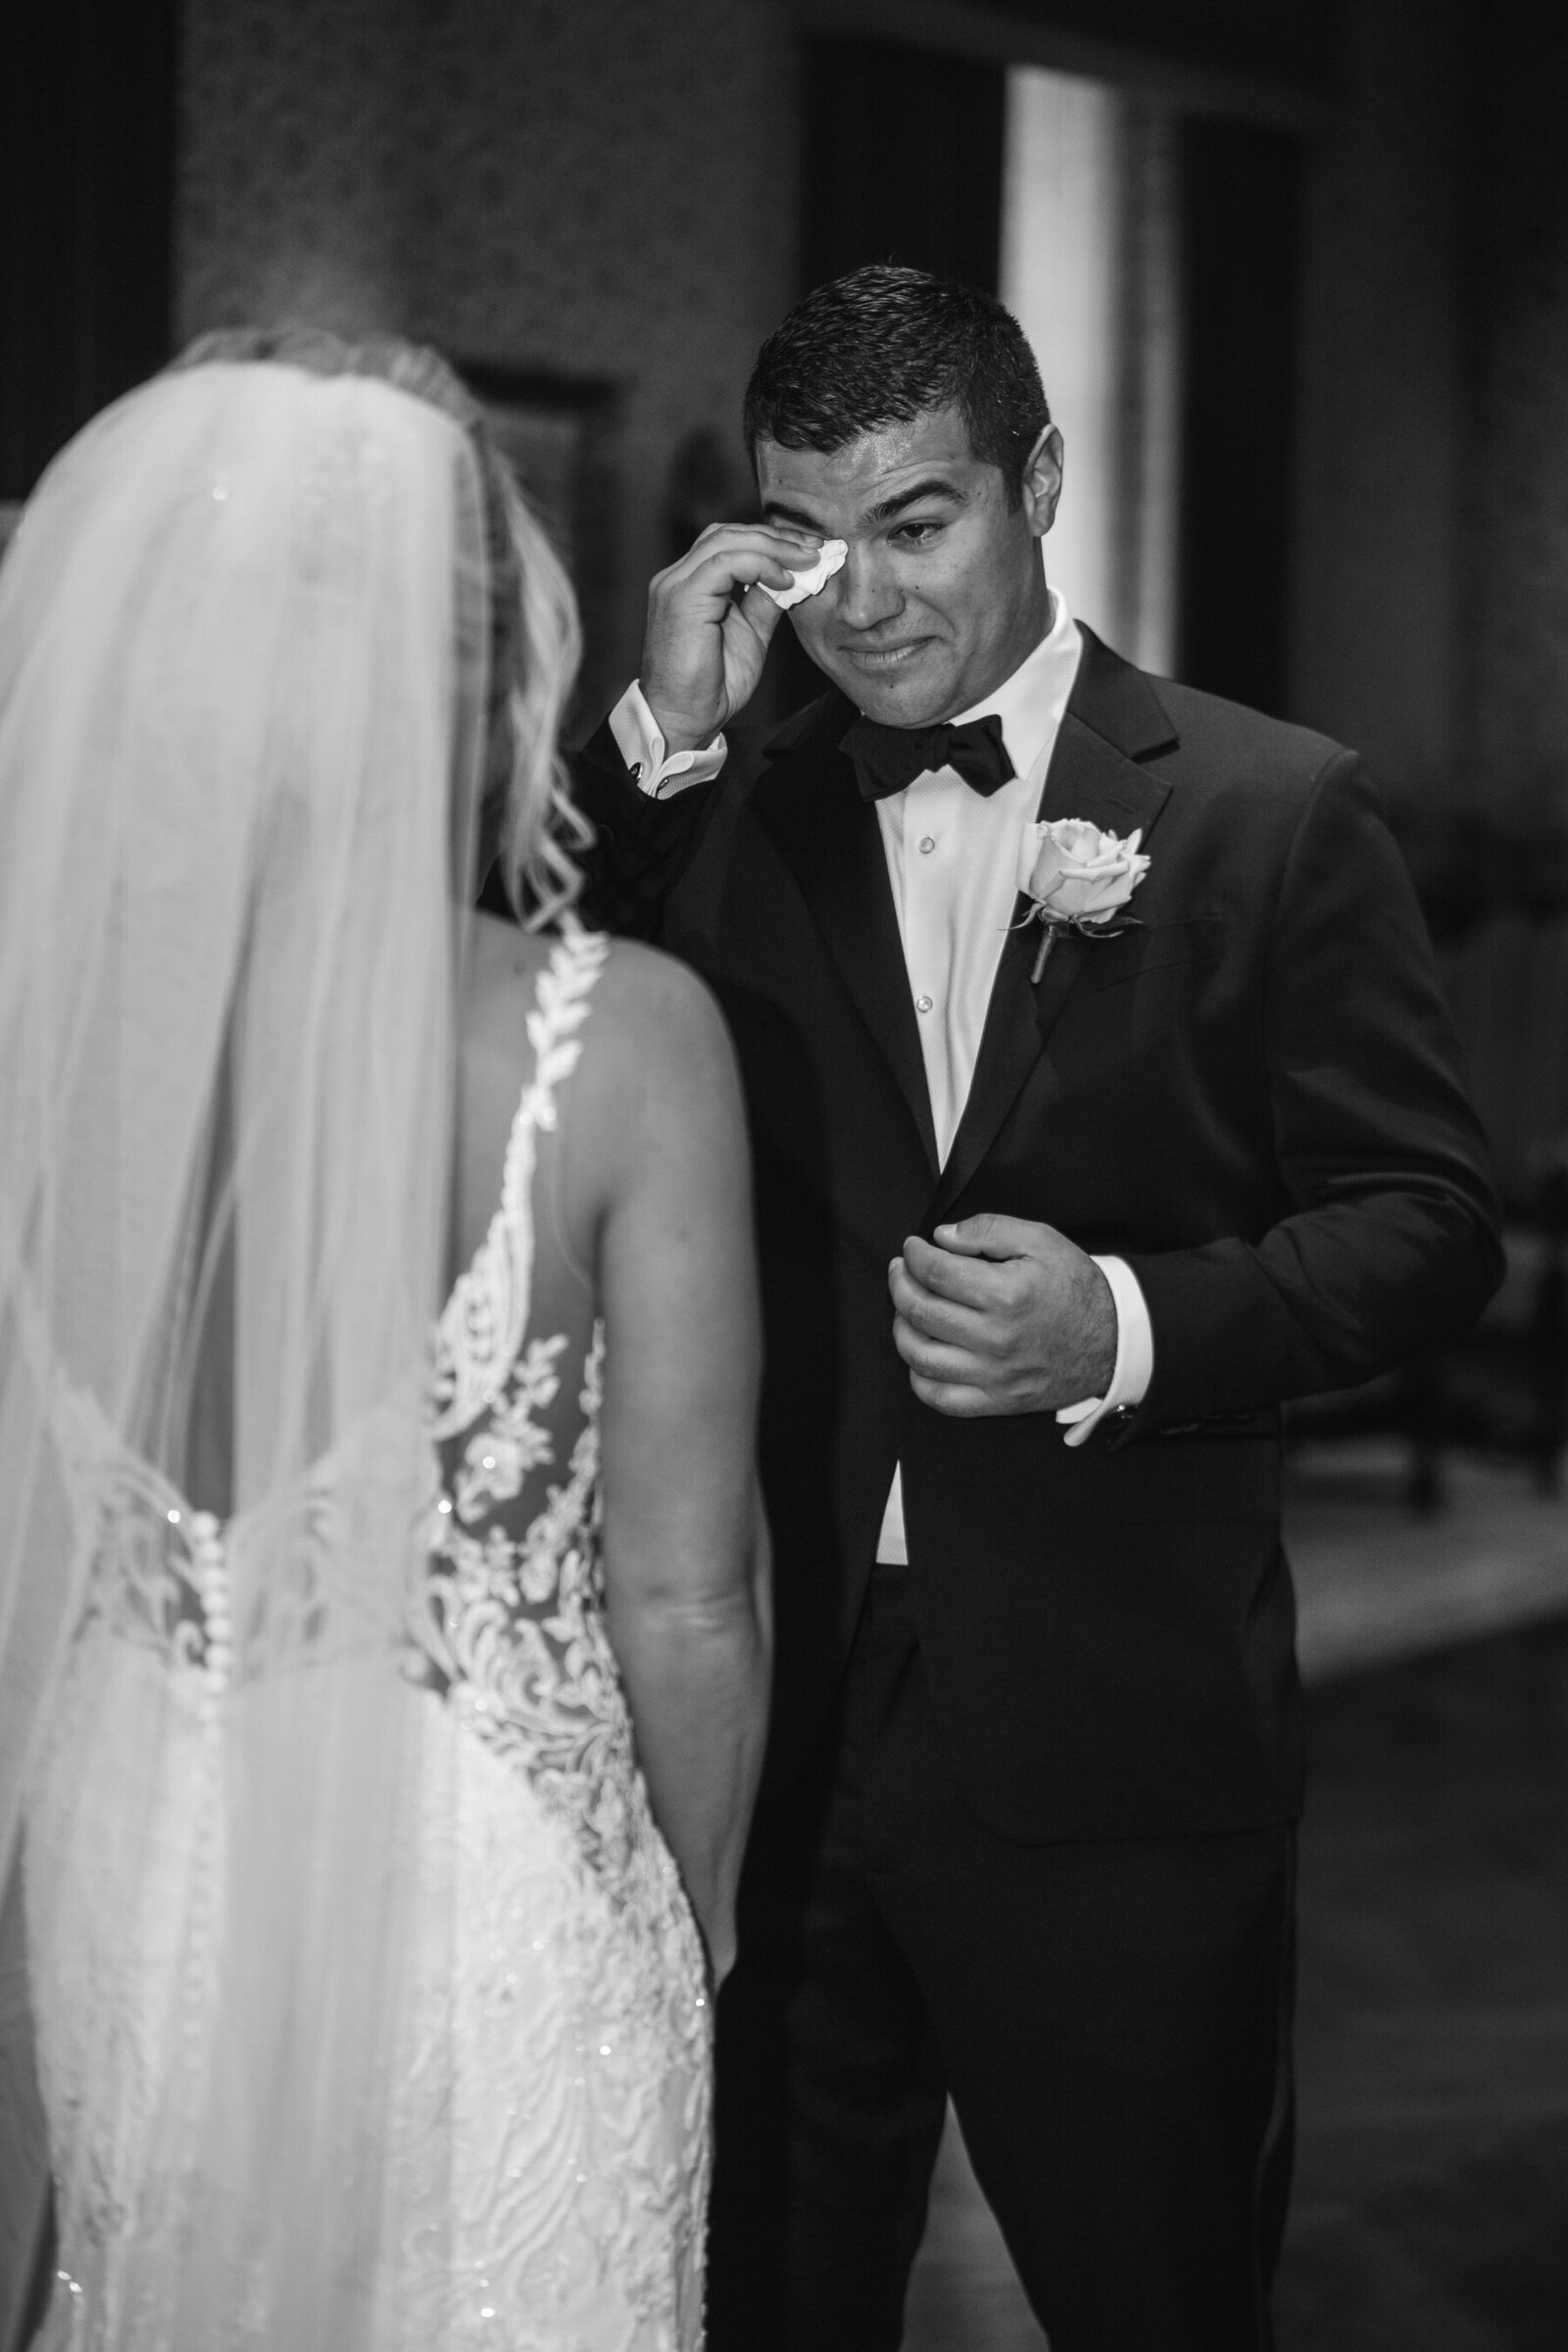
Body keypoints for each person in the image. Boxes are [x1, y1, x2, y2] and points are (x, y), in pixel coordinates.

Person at [566, 265, 1503, 2351]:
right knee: (758, 2297)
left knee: (1149, 2295)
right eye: (809, 545)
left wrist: (1125, 1328)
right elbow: (524, 1053)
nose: (864, 602)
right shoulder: (724, 803)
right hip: (767, 1726)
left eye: (918, 525)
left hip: (1115, 1742)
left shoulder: (1265, 810)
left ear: (1040, 485)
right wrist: (658, 738)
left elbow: (1423, 1223)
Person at [0, 328, 769, 2350]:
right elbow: (687, 1599)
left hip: (133, 1863)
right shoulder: (622, 1047)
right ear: (485, 672)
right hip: (481, 1909)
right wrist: (692, 1917)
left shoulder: (48, 1041)